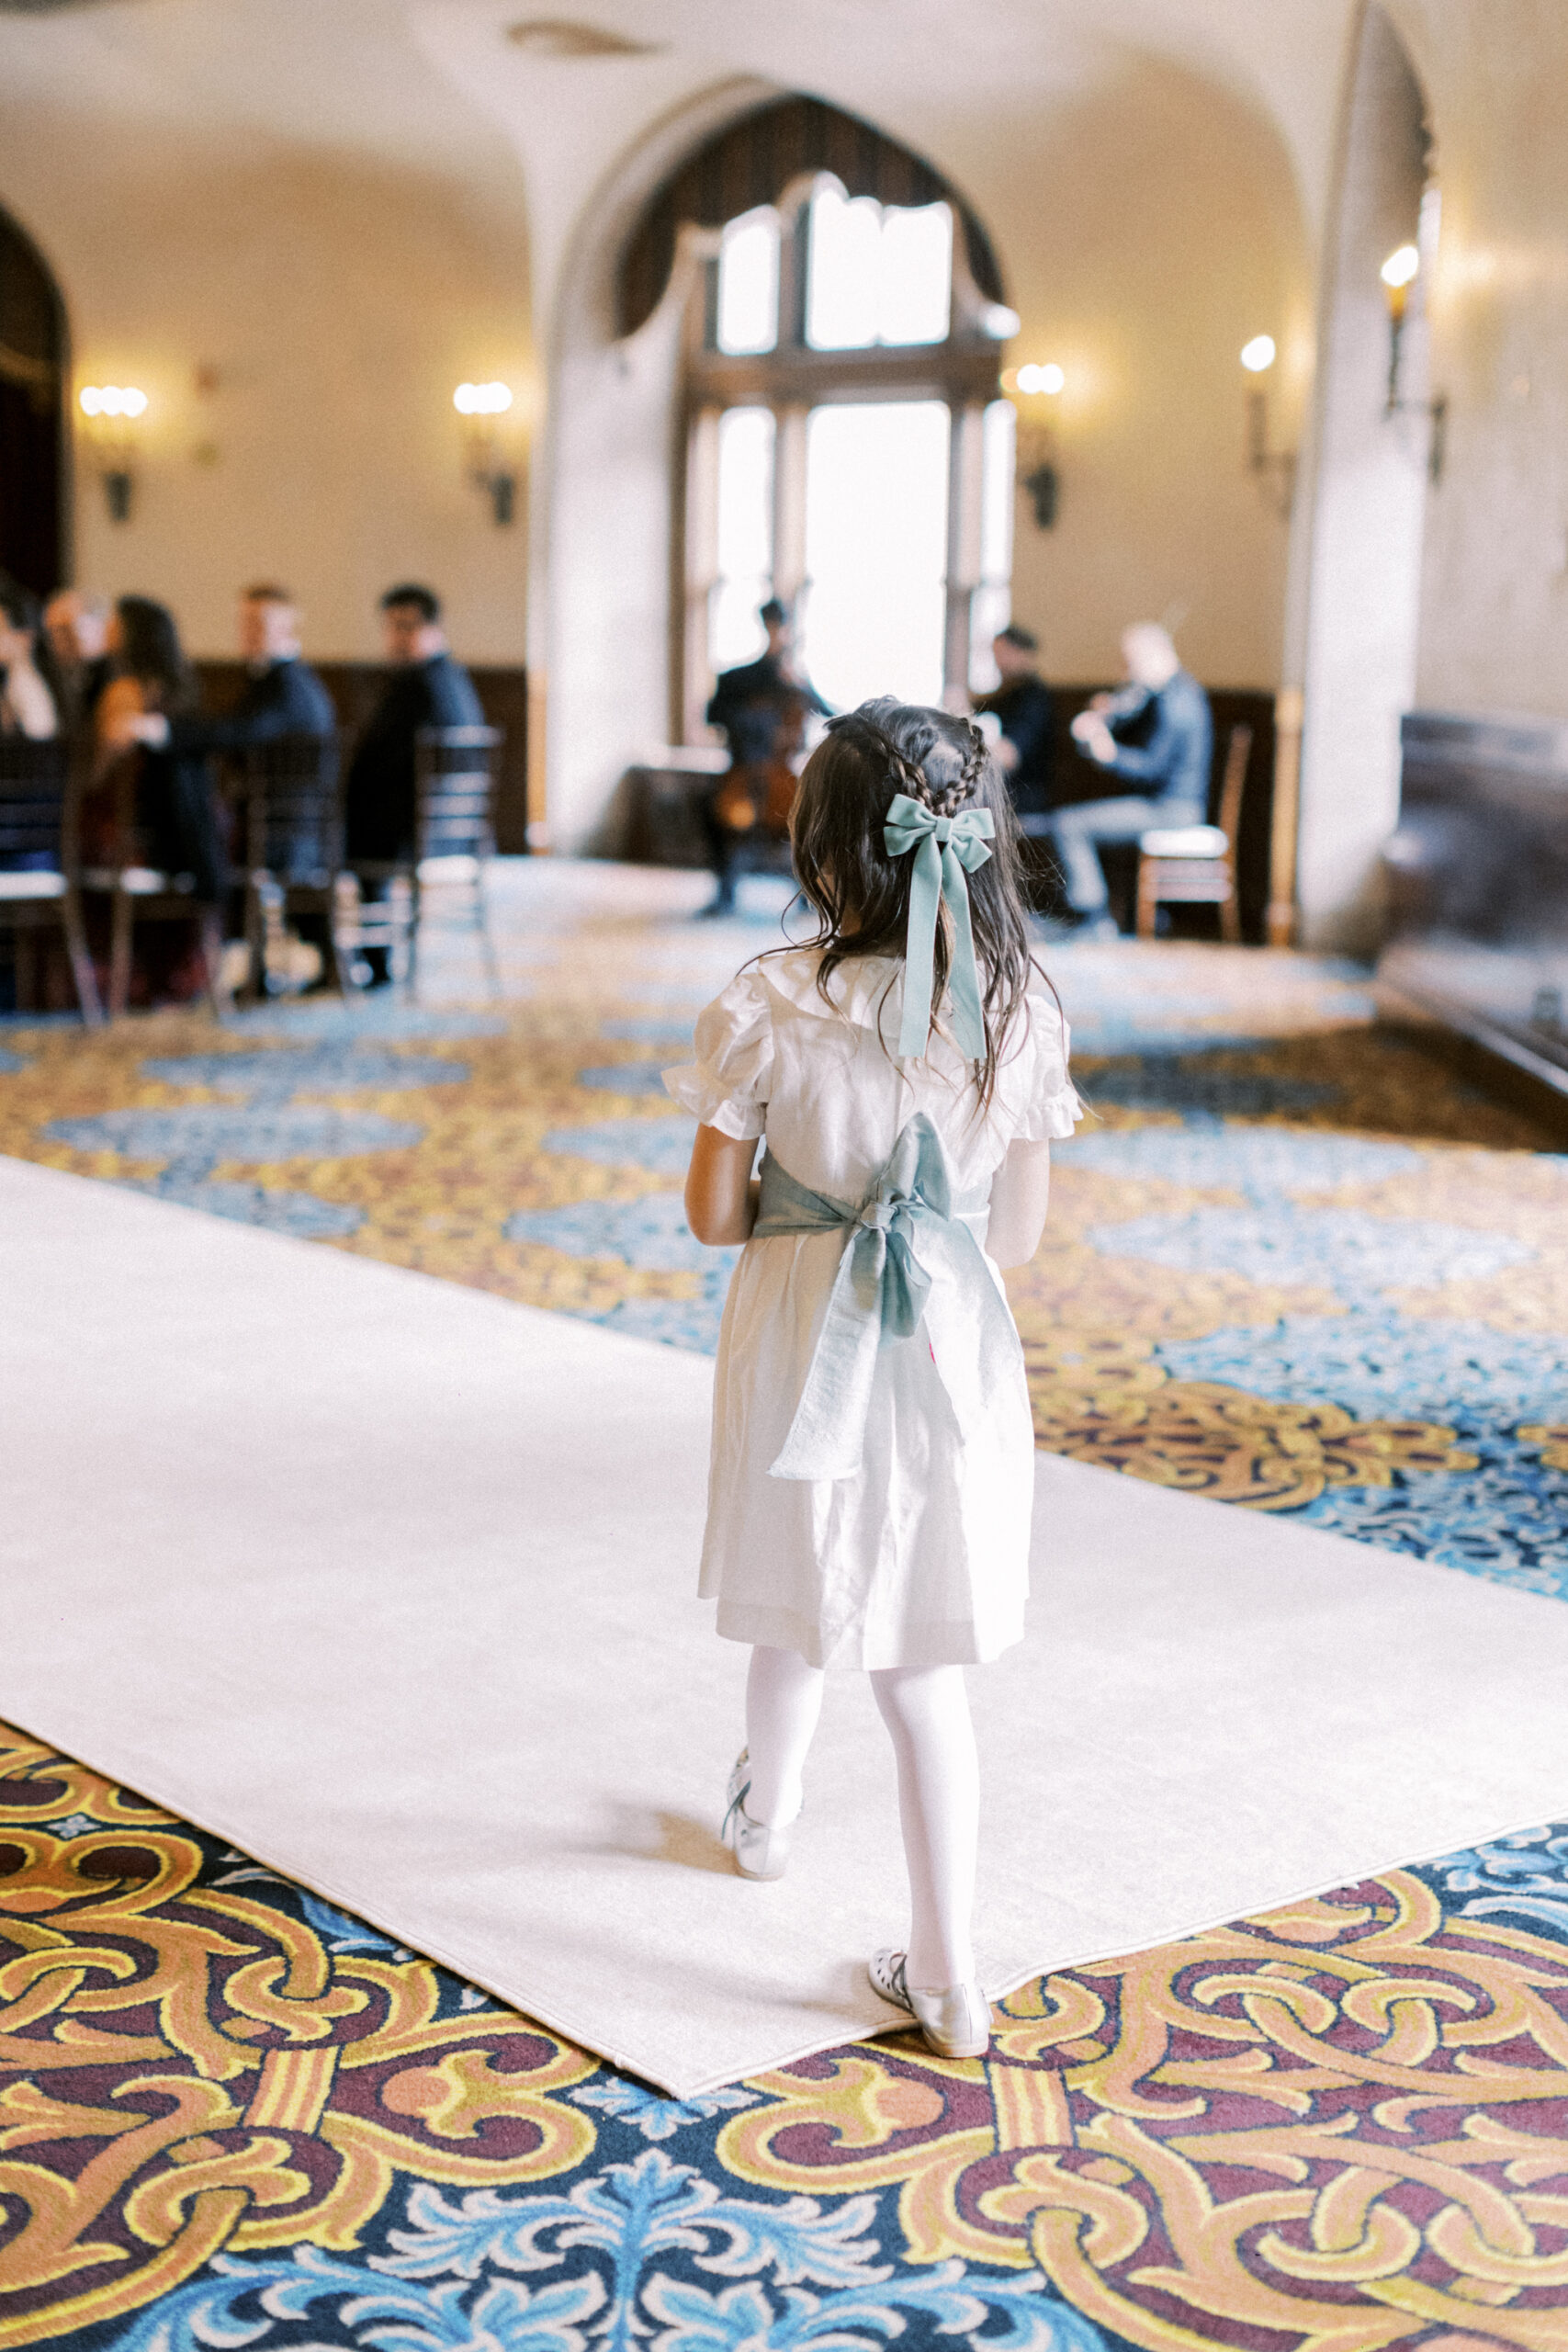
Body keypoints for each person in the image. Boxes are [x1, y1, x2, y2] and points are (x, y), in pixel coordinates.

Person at [664, 697, 1080, 2061]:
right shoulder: (1019, 1015)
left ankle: (765, 1823)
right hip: (950, 1351)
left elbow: (715, 1220)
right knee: (920, 1673)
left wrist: (818, 1186)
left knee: (791, 1596)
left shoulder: (766, 1001)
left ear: (823, 849)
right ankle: (951, 1975)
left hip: (805, 1333)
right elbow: (1013, 1239)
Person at [1045, 622, 1213, 937]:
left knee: (1069, 823)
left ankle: (1092, 917)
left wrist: (1111, 756)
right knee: (1073, 820)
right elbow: (1132, 712)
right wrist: (1107, 713)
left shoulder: (1177, 705)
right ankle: (1093, 913)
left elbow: (1153, 769)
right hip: (1163, 804)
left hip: (1171, 810)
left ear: (1154, 657)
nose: (1126, 672)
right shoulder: (1168, 691)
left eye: (1130, 663)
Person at [701, 597, 830, 916]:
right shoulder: (737, 678)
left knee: (812, 813)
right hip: (742, 768)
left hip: (782, 770)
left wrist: (798, 688)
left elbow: (828, 714)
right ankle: (725, 889)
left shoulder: (795, 681)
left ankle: (806, 892)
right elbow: (713, 715)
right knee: (709, 808)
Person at [95, 595, 226, 906]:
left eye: (115, 622)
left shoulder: (124, 691)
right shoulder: (183, 690)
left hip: (132, 830)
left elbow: (102, 774)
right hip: (182, 833)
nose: (108, 628)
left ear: (132, 633)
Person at [344, 582, 482, 866]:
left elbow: (376, 757)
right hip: (455, 830)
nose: (397, 638)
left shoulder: (418, 684)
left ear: (435, 628)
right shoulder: (455, 678)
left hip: (410, 832)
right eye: (391, 627)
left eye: (407, 627)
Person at [115, 583, 335, 761]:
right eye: (245, 623)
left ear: (286, 627)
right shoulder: (285, 676)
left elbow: (240, 730)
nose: (248, 633)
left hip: (282, 812)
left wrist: (163, 730)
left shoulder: (287, 684)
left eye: (258, 623)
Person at [973, 623, 1052, 826]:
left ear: (1022, 653)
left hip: (1024, 793)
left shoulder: (1034, 698)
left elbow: (1010, 756)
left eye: (1003, 653)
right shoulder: (1008, 693)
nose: (998, 662)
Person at [42, 590, 112, 736]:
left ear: (95, 625)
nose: (55, 640)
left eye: (64, 629)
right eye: (50, 631)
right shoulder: (49, 672)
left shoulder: (116, 672)